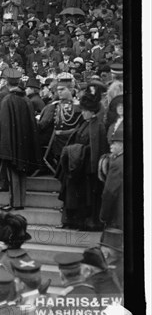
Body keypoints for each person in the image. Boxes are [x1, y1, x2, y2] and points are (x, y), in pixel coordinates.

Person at [55, 92, 109, 231]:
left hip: (86, 167)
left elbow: (97, 148)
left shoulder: (99, 126)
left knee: (85, 197)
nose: (83, 113)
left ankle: (85, 223)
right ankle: (70, 221)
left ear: (92, 112)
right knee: (71, 194)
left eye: (85, 111)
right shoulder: (84, 123)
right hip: (76, 165)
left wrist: (78, 150)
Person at [0, 69, 41, 211]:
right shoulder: (26, 100)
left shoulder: (7, 99)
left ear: (6, 82)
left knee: (12, 173)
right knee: (22, 173)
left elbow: (3, 125)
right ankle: (20, 201)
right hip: (24, 143)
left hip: (11, 144)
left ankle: (15, 202)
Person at [99, 127, 123, 229]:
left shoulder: (117, 163)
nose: (111, 145)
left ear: (122, 145)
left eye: (114, 143)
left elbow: (109, 191)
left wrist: (103, 215)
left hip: (117, 216)